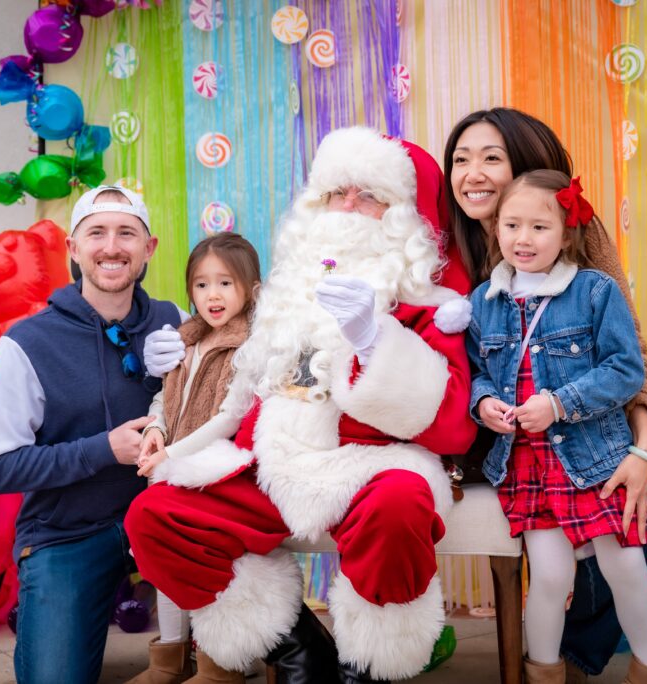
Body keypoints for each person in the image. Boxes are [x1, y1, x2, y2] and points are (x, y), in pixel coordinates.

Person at [125, 126, 476, 684]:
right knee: (155, 515)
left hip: (369, 466)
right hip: (272, 462)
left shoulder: (432, 305)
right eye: (338, 193)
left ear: (403, 216)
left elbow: (455, 428)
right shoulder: (287, 292)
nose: (349, 208)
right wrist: (170, 371)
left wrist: (373, 342)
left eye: (369, 195)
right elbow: (233, 378)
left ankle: (369, 666)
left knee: (402, 503)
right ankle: (296, 649)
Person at [444, 108, 647, 684]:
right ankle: (567, 658)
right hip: (509, 447)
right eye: (460, 159)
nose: (472, 172)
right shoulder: (451, 255)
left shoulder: (580, 249)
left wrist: (643, 450)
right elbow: (468, 364)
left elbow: (631, 359)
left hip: (601, 431)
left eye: (491, 158)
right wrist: (481, 405)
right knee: (554, 569)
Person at [469, 170, 647, 683]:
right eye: (512, 225)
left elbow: (625, 369)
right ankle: (543, 675)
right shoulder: (483, 301)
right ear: (496, 229)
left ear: (566, 233)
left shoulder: (594, 291)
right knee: (548, 575)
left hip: (596, 457)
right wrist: (485, 405)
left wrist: (560, 404)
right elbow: (477, 371)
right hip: (527, 464)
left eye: (540, 227)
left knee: (625, 567)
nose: (524, 238)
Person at [0, 185, 185, 684]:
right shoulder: (27, 343)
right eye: (97, 233)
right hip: (66, 532)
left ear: (149, 248)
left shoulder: (176, 319)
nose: (112, 247)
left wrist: (191, 362)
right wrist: (102, 450)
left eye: (126, 233)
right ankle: (46, 611)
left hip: (164, 519)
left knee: (246, 632)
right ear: (73, 248)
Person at [126, 232, 261, 684]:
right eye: (201, 285)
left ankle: (217, 661)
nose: (213, 295)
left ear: (251, 289)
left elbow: (230, 417)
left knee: (203, 564)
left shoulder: (251, 346)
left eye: (225, 282)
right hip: (170, 467)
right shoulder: (187, 340)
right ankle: (168, 657)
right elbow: (165, 400)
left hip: (215, 475)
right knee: (164, 565)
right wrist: (155, 431)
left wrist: (171, 454)